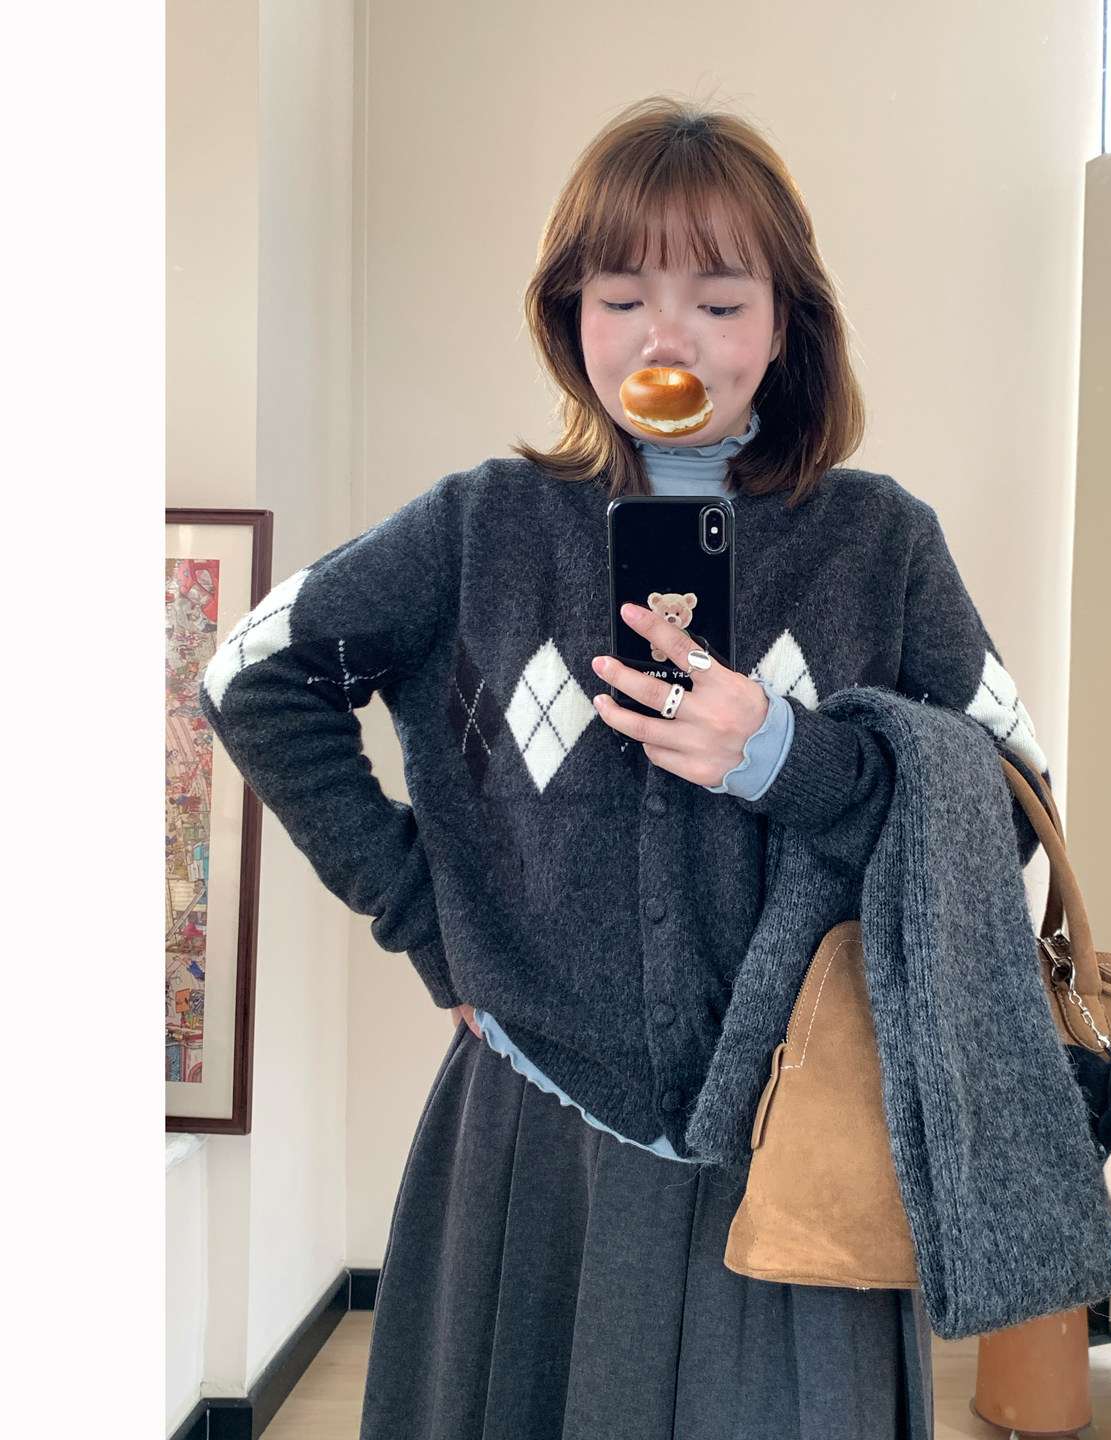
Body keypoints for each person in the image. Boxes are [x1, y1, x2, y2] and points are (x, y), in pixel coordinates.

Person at [200, 97, 1051, 1440]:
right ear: (570, 317)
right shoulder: (482, 526)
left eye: (719, 299)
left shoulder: (879, 543)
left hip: (798, 1138)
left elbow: (1013, 809)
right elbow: (250, 672)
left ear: (787, 324)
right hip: (533, 1135)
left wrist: (788, 757)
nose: (667, 338)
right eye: (620, 297)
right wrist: (431, 925)